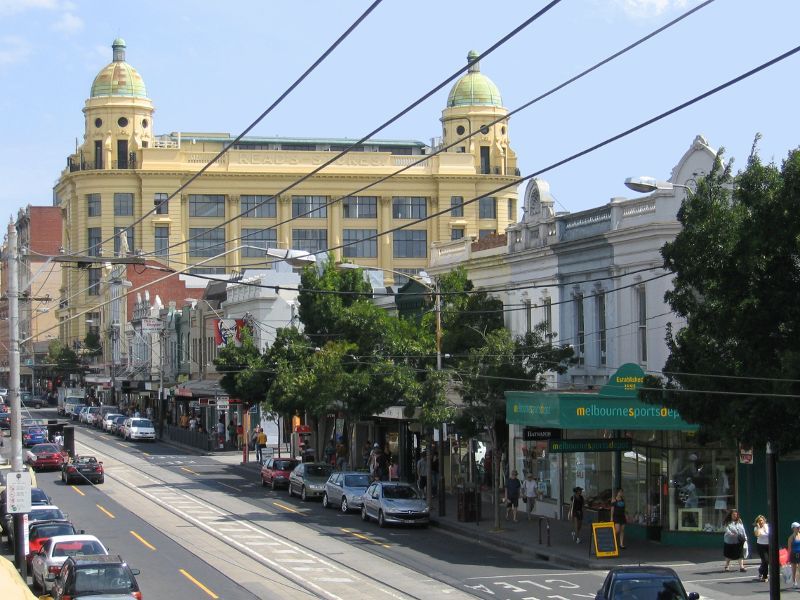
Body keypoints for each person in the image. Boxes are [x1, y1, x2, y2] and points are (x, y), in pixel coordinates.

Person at [723, 508, 747, 572]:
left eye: (736, 515)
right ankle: (727, 566)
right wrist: (731, 533)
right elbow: (726, 529)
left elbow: (743, 529)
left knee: (740, 554)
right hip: (729, 541)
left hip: (738, 540)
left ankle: (741, 567)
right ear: (730, 515)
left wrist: (745, 538)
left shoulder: (739, 521)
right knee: (728, 554)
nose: (735, 516)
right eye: (733, 515)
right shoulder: (727, 522)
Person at [753, 514, 769, 582]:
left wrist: (765, 528)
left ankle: (760, 570)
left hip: (768, 545)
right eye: (759, 521)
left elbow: (769, 534)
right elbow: (757, 535)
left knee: (766, 561)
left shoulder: (767, 526)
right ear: (757, 522)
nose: (761, 522)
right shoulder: (756, 528)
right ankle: (765, 577)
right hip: (760, 545)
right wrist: (759, 528)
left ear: (764, 521)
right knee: (765, 560)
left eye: (762, 520)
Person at [788, 521, 800, 588]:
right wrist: (788, 558)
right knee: (794, 569)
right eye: (797, 527)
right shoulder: (791, 538)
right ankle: (794, 582)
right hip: (793, 554)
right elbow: (789, 549)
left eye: (799, 527)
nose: (799, 528)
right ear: (793, 528)